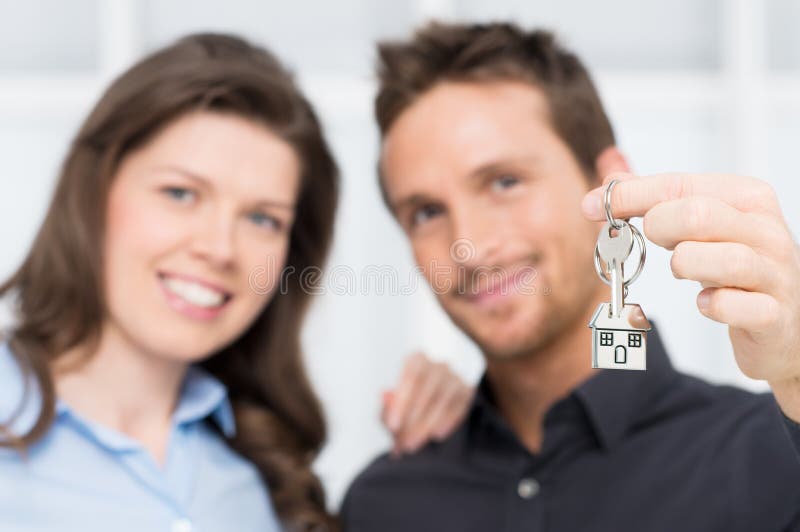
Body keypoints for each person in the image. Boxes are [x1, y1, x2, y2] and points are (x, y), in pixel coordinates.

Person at [0, 33, 472, 532]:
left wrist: (471, 434)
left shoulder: (264, 473)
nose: (221, 248)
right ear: (93, 193)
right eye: (181, 193)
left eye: (263, 220)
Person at [341, 21, 800, 531]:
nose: (466, 246)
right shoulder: (379, 506)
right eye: (426, 212)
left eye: (505, 181)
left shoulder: (778, 454)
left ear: (610, 185)